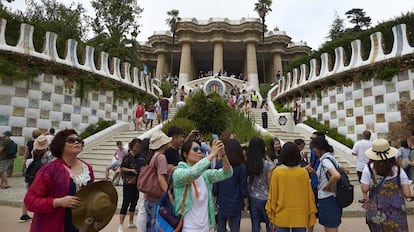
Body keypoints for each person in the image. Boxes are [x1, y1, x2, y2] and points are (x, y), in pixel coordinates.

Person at [24, 129, 94, 232]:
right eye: (71, 140)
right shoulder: (49, 170)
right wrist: (58, 202)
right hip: (54, 225)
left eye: (79, 139)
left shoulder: (87, 168)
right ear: (60, 144)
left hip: (80, 225)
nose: (77, 142)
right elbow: (30, 201)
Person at [172, 139, 233, 232]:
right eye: (195, 149)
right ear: (185, 154)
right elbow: (192, 173)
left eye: (200, 149)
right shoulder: (178, 173)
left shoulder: (204, 175)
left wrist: (223, 154)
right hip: (187, 227)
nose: (199, 151)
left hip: (205, 227)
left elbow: (227, 173)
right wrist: (212, 154)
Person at [361, 138, 412, 231]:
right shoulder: (398, 169)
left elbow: (365, 189)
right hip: (396, 210)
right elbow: (407, 194)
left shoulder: (368, 168)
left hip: (377, 210)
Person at [266, 142, 317, 232]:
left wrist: (271, 216)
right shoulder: (303, 173)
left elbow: (273, 195)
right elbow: (309, 196)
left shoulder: (277, 172)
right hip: (300, 215)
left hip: (281, 215)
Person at [212, 138, 248, 232]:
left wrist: (214, 200)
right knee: (235, 226)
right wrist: (246, 203)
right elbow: (243, 187)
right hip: (236, 202)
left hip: (222, 201)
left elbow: (215, 186)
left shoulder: (219, 165)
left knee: (221, 226)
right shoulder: (241, 167)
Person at [310, 137, 342, 232]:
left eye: (314, 148)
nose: (313, 151)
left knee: (330, 226)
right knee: (330, 224)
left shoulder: (325, 160)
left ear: (320, 148)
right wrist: (315, 173)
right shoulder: (330, 157)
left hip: (328, 198)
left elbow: (336, 175)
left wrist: (327, 186)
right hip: (331, 197)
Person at [20, 135, 53, 223]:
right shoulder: (47, 154)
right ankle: (36, 216)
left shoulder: (34, 151)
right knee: (39, 197)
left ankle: (24, 214)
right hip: (39, 177)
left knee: (28, 195)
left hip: (32, 176)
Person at [246, 136, 275, 232]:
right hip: (266, 197)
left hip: (253, 196)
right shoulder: (267, 165)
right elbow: (270, 183)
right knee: (269, 224)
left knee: (255, 224)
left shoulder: (248, 163)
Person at [144, 131, 171, 232]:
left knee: (149, 226)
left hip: (148, 198)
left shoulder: (153, 155)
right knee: (156, 227)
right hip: (156, 198)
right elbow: (161, 178)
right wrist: (169, 194)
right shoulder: (161, 157)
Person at [118, 138, 144, 232]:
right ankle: (120, 224)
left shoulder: (140, 157)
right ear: (132, 146)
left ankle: (131, 222)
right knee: (125, 203)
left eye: (139, 147)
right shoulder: (128, 156)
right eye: (136, 146)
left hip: (136, 182)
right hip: (128, 182)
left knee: (134, 202)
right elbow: (121, 168)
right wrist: (131, 170)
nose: (137, 148)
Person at [351, 130, 372, 203]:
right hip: (371, 165)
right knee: (372, 181)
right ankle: (372, 196)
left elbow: (353, 153)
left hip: (360, 166)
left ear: (363, 135)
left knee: (362, 182)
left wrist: (360, 155)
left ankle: (365, 197)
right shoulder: (372, 144)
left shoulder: (358, 143)